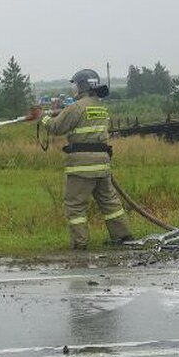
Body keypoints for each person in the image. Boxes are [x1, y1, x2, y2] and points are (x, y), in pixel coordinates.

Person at [41, 69, 134, 249]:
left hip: (82, 166)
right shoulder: (100, 106)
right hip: (102, 164)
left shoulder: (77, 107)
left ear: (82, 86)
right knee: (110, 203)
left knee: (75, 206)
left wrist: (42, 118)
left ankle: (80, 243)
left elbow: (56, 127)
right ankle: (123, 236)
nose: (74, 89)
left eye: (75, 85)